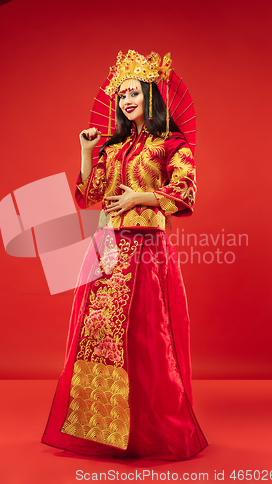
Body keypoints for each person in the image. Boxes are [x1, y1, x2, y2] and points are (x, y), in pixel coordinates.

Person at [41, 50, 208, 460]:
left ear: (151, 95)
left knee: (148, 340)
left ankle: (149, 432)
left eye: (133, 92)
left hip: (147, 252)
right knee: (98, 336)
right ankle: (102, 429)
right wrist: (85, 151)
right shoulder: (113, 148)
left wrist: (143, 196)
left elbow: (186, 189)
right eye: (121, 95)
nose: (125, 100)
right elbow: (89, 196)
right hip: (106, 249)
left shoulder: (171, 144)